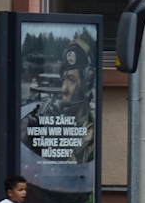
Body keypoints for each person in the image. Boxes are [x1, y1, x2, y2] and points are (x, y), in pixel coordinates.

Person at [24, 37, 96, 165]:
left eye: (72, 80)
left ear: (86, 84)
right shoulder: (50, 112)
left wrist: (62, 144)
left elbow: (80, 173)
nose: (64, 89)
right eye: (63, 80)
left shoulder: (94, 126)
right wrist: (34, 139)